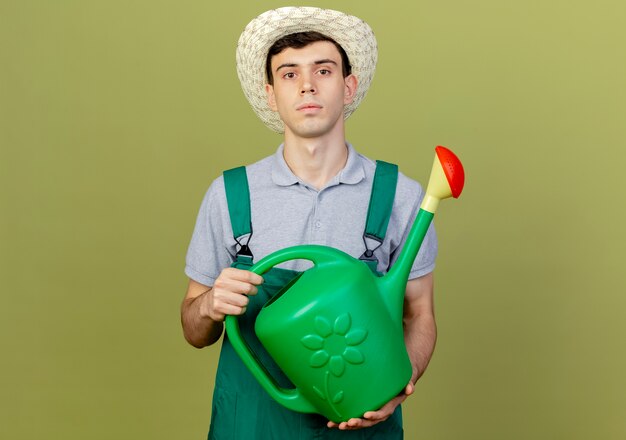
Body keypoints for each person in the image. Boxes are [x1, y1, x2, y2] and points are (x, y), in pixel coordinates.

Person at [181, 6, 438, 439]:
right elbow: (193, 329)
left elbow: (420, 316)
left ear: (349, 86)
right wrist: (208, 305)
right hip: (252, 424)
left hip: (361, 422)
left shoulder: (401, 196)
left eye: (324, 70)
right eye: (288, 74)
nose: (307, 86)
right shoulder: (229, 195)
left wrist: (398, 385)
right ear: (270, 93)